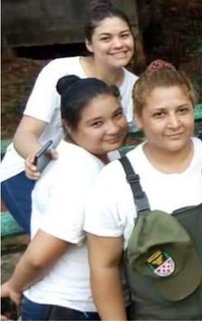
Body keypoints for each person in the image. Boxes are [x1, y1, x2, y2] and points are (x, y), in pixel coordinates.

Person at [83, 60, 202, 320]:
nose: (174, 123)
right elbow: (104, 267)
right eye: (160, 114)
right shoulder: (113, 182)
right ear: (138, 117)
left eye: (182, 110)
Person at [0, 1, 137, 234]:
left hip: (90, 175)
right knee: (55, 247)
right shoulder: (58, 71)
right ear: (89, 44)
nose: (118, 44)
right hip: (30, 175)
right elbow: (24, 134)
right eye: (106, 38)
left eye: (124, 35)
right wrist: (36, 155)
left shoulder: (135, 86)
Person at [1, 75, 129, 320]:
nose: (113, 128)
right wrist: (14, 287)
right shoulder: (78, 174)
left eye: (117, 115)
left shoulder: (104, 157)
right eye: (96, 123)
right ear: (69, 127)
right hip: (67, 307)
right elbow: (40, 256)